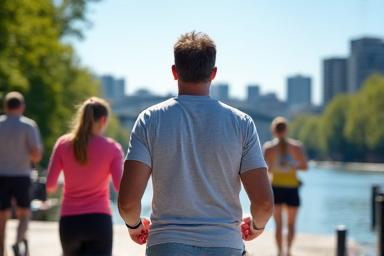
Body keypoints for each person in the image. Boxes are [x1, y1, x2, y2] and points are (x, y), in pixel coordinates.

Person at [118, 31, 274, 256]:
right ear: (213, 74)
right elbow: (264, 204)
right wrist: (256, 226)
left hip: (166, 245)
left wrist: (135, 226)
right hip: (225, 245)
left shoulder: (149, 120)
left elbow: (127, 203)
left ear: (174, 71)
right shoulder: (242, 124)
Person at [46, 97, 123, 256]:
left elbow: (50, 185)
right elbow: (120, 187)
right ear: (103, 120)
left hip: (69, 222)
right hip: (99, 221)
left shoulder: (63, 143)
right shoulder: (112, 149)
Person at [0, 91, 43, 256]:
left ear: (6, 106)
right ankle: (17, 242)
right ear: (22, 107)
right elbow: (36, 153)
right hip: (21, 175)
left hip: (1, 175)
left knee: (1, 215)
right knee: (24, 212)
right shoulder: (28, 126)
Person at [263, 117, 308, 256]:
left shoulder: (269, 148)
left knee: (278, 225)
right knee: (291, 224)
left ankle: (279, 251)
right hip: (292, 189)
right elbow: (305, 167)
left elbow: (265, 170)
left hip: (276, 188)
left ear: (273, 131)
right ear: (287, 130)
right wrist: (292, 164)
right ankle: (288, 250)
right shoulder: (296, 146)